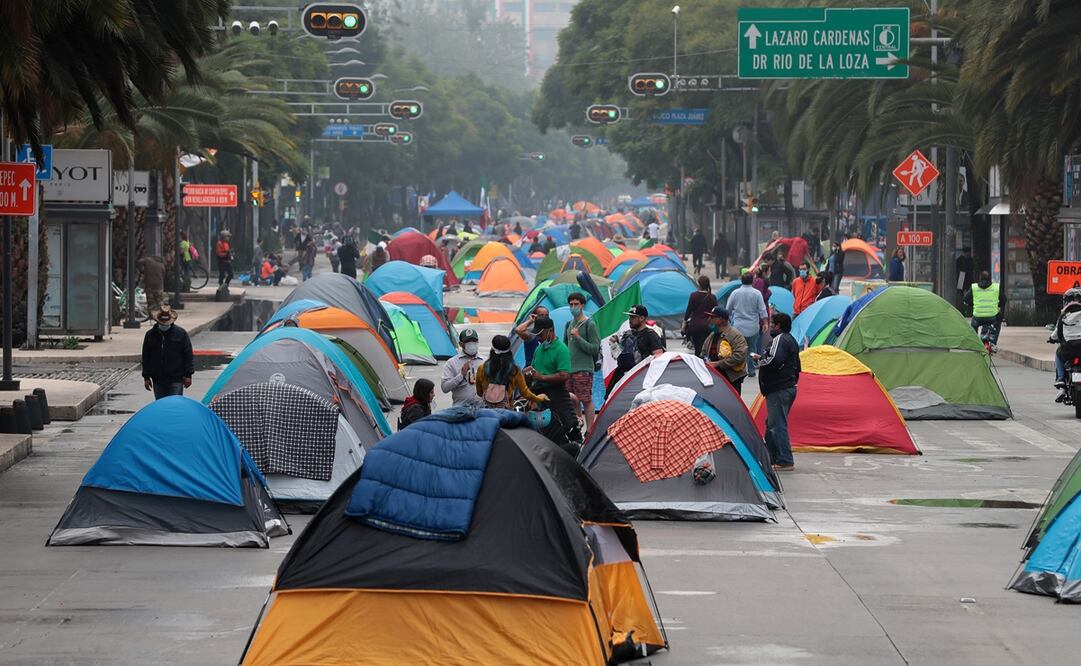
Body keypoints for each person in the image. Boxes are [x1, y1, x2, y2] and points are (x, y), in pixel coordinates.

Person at [752, 313, 800, 471]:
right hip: (787, 387)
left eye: (772, 324)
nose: (770, 326)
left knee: (777, 425)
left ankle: (785, 460)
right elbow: (795, 366)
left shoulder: (779, 339)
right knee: (771, 423)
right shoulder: (791, 340)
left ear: (778, 326)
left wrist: (760, 360)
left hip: (779, 389)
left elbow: (775, 359)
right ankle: (770, 457)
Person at [523, 316, 576, 450]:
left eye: (540, 334)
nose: (538, 338)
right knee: (540, 430)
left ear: (550, 331)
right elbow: (535, 370)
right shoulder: (538, 350)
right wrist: (528, 373)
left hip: (557, 393)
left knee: (567, 426)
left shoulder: (561, 349)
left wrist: (542, 377)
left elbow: (564, 375)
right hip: (539, 393)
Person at [606, 305, 666, 394]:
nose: (630, 319)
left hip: (640, 377)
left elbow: (658, 358)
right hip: (622, 376)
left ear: (642, 318)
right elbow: (617, 356)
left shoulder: (651, 335)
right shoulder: (626, 334)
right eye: (629, 316)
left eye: (633, 317)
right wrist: (614, 344)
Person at [475, 335, 547, 409]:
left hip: (486, 412)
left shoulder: (482, 368)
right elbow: (525, 393)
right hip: (506, 412)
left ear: (492, 350)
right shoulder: (514, 370)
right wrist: (539, 398)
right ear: (509, 352)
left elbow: (479, 392)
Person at [564, 292, 600, 432]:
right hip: (569, 370)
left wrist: (578, 337)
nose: (573, 307)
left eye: (576, 304)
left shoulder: (589, 324)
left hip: (583, 369)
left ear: (582, 305)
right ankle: (577, 426)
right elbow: (565, 347)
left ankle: (590, 430)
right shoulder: (569, 324)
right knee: (572, 400)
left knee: (586, 399)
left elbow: (594, 349)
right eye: (571, 304)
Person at [141, 309, 194, 400]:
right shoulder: (150, 335)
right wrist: (146, 377)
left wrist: (188, 375)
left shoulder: (181, 334)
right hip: (158, 378)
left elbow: (188, 355)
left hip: (176, 378)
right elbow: (146, 357)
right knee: (161, 406)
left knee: (175, 404)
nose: (164, 325)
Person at [727, 271, 769, 373]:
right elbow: (762, 310)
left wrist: (728, 320)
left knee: (738, 349)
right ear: (753, 281)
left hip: (738, 326)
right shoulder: (757, 293)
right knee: (752, 348)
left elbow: (728, 308)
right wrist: (765, 322)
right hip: (753, 326)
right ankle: (751, 370)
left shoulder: (735, 293)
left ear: (741, 280)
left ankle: (740, 368)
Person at [701, 307, 749, 394]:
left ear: (721, 320)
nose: (709, 320)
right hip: (714, 378)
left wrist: (717, 364)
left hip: (731, 378)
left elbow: (739, 356)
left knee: (732, 406)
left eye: (712, 317)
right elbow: (703, 353)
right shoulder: (711, 335)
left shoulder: (735, 335)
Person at [440, 328, 486, 408]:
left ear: (477, 342)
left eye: (474, 341)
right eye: (468, 342)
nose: (471, 344)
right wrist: (461, 375)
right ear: (461, 344)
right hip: (461, 409)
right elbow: (445, 388)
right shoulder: (452, 362)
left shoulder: (485, 361)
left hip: (482, 408)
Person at [1050, 288, 1081, 401]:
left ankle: (1061, 379)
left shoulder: (1063, 315)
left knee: (1058, 353)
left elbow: (1056, 334)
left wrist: (1051, 339)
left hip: (1068, 349)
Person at [964, 270, 1006, 350]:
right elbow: (1004, 300)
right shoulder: (996, 287)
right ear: (990, 278)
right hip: (992, 317)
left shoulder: (974, 287)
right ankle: (993, 343)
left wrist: (972, 304)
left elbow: (966, 299)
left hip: (978, 317)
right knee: (997, 324)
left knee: (973, 327)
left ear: (979, 278)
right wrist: (998, 307)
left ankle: (975, 344)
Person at [683, 275, 717, 356]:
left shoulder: (693, 295)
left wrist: (684, 323)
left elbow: (689, 310)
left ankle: (697, 363)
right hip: (708, 326)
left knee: (697, 349)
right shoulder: (712, 297)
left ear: (699, 285)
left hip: (695, 325)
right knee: (706, 349)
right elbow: (715, 313)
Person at [956, 247, 974, 312]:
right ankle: (964, 308)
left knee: (964, 293)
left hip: (963, 277)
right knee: (962, 293)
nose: (968, 254)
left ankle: (965, 308)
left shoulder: (960, 260)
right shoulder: (967, 260)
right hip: (963, 277)